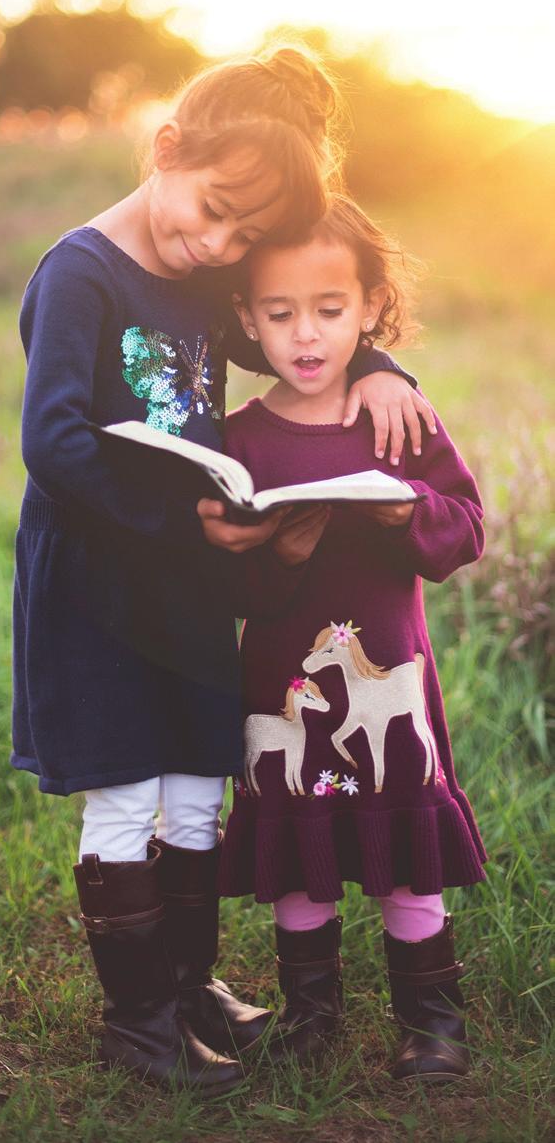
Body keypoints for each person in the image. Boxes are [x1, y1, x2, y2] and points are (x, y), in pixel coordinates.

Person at [12, 46, 435, 1093]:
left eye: (243, 237)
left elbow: (289, 334)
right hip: (99, 584)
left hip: (189, 585)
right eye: (212, 212)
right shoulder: (80, 271)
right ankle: (137, 1023)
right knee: (124, 794)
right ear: (165, 149)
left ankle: (188, 986)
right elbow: (54, 442)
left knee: (199, 788)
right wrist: (179, 520)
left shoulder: (203, 277)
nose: (218, 245)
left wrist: (377, 364)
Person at [211, 195, 486, 1082]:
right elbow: (226, 585)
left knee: (406, 851)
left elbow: (465, 529)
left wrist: (406, 509)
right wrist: (279, 551)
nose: (305, 334)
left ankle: (430, 1021)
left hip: (389, 675)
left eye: (329, 310)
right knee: (298, 848)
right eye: (279, 313)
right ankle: (310, 1014)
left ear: (369, 309)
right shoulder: (239, 442)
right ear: (247, 319)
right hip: (282, 684)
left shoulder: (396, 416)